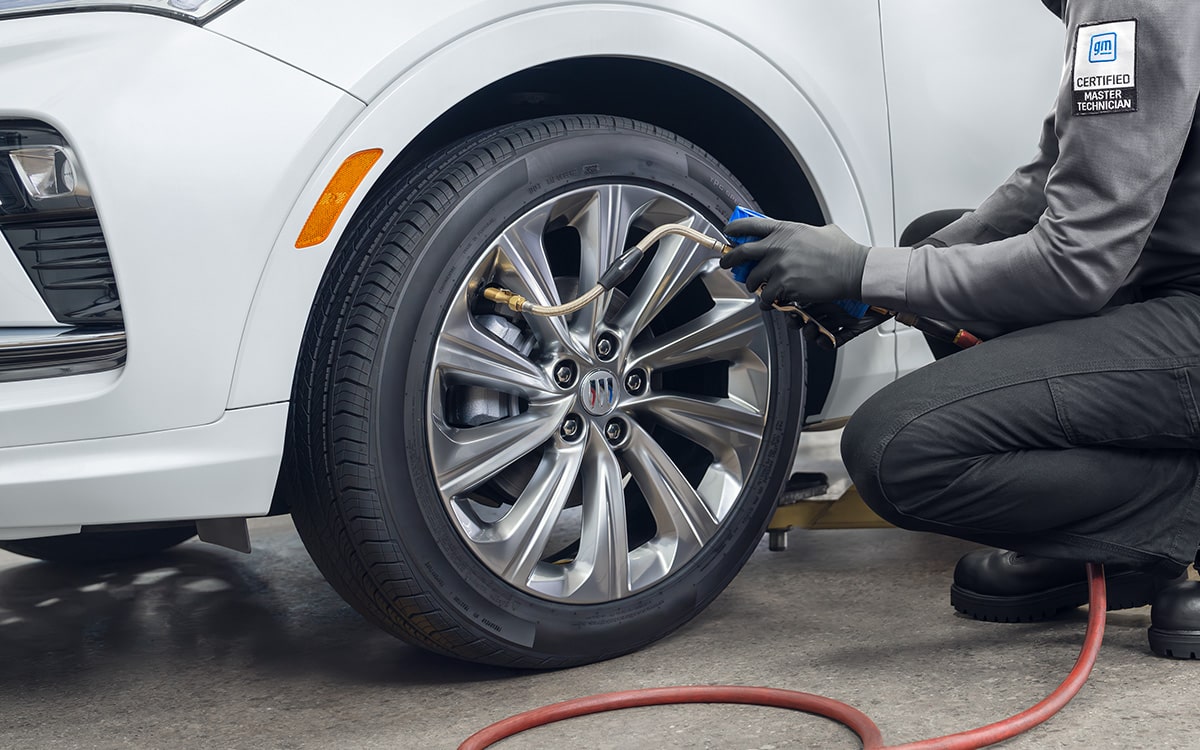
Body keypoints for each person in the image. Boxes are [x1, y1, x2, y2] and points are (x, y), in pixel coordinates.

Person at [720, 0, 1200, 659]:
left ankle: (1182, 515)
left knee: (891, 449)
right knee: (930, 245)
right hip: (1172, 277)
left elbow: (1076, 263)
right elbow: (1051, 176)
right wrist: (890, 284)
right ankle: (1105, 542)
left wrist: (863, 270)